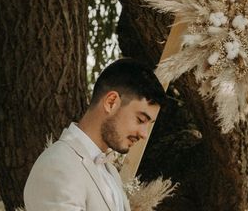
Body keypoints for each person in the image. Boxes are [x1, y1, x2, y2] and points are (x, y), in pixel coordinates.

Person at [24, 58, 166, 211]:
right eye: (140, 120)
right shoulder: (58, 165)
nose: (144, 134)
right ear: (111, 102)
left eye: (148, 124)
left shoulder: (110, 173)